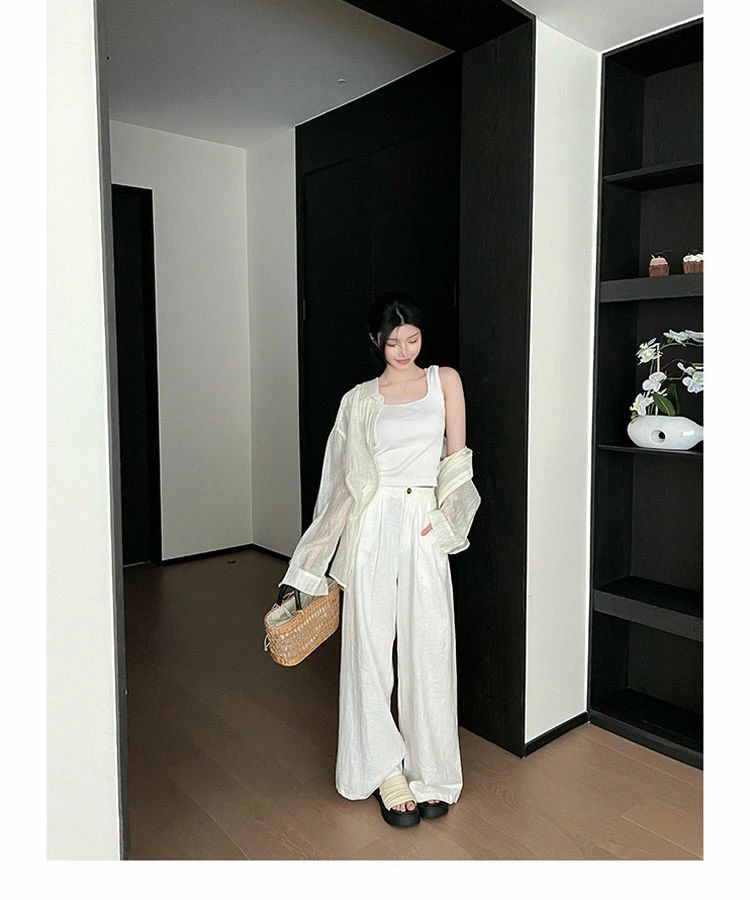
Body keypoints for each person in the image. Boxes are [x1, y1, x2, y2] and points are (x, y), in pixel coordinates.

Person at [278, 291, 481, 827]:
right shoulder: (359, 401)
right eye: (393, 342)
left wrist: (446, 521)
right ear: (375, 341)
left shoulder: (445, 381)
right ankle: (384, 772)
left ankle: (432, 771)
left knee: (429, 645)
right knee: (368, 648)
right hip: (371, 525)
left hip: (423, 520)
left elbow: (457, 461)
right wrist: (306, 567)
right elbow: (340, 486)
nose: (405, 350)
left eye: (412, 339)